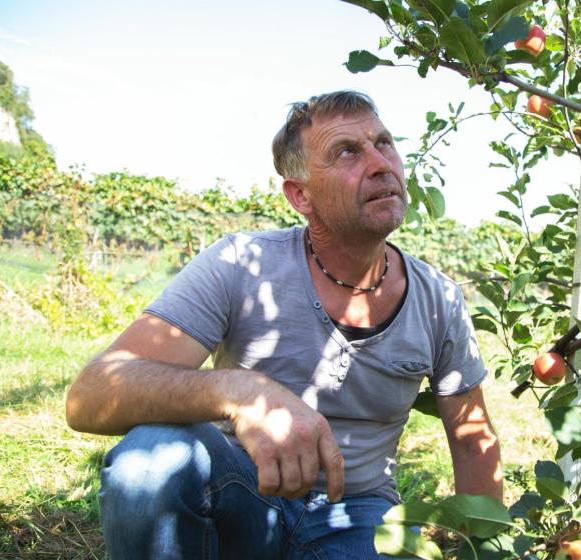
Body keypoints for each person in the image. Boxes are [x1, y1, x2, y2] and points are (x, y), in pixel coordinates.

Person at [65, 90, 503, 559]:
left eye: (384, 142)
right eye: (347, 152)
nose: (381, 164)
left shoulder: (439, 299)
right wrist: (238, 391)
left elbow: (472, 439)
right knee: (149, 462)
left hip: (356, 513)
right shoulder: (242, 264)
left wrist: (491, 550)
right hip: (241, 492)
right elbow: (90, 396)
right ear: (300, 195)